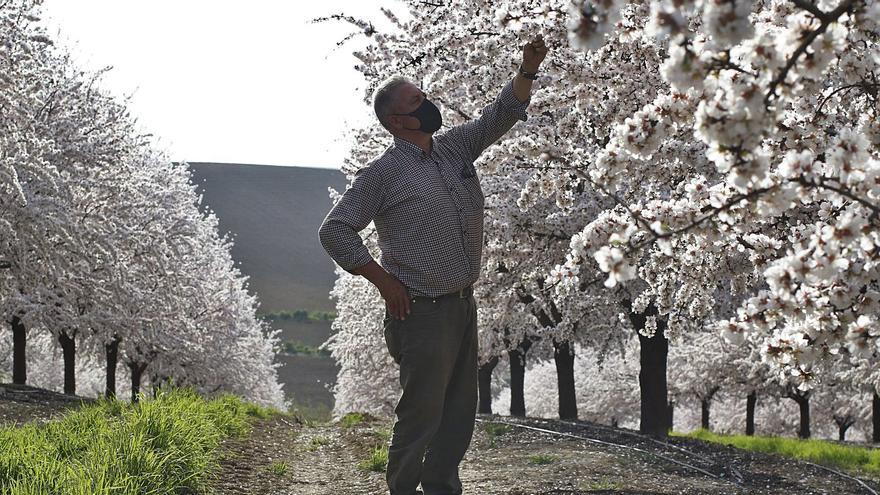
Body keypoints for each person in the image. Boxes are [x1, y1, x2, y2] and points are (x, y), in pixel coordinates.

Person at [318, 36, 548, 495]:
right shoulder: (382, 174)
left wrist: (527, 68)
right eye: (417, 101)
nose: (429, 104)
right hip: (420, 311)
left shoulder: (452, 149)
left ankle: (442, 487)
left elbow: (497, 117)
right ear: (398, 121)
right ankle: (401, 489)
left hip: (463, 304)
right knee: (422, 414)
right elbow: (335, 230)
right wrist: (382, 281)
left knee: (460, 411)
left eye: (424, 95)